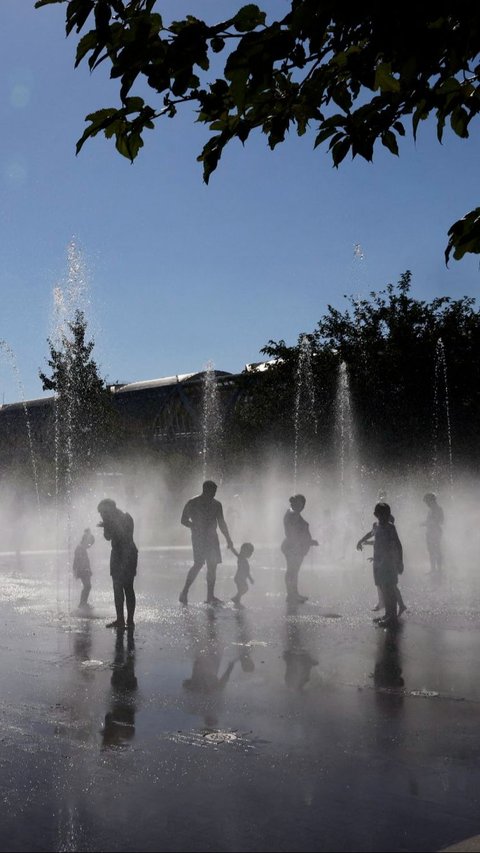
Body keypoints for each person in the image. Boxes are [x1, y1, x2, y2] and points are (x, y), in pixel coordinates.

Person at [179, 480, 234, 605]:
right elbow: (183, 520)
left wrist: (228, 539)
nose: (214, 494)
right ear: (205, 490)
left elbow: (221, 523)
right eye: (213, 491)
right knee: (198, 564)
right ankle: (184, 592)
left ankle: (210, 596)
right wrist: (194, 526)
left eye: (215, 491)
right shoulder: (193, 502)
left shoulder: (217, 504)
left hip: (212, 538)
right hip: (198, 538)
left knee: (212, 566)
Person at [357, 502, 404, 628]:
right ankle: (388, 614)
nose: (383, 517)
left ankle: (392, 616)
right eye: (381, 515)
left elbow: (398, 545)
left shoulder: (390, 528)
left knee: (389, 589)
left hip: (389, 563)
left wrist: (400, 561)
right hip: (378, 562)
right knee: (383, 588)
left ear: (389, 515)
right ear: (375, 515)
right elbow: (370, 533)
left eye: (386, 515)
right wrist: (361, 540)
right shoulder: (376, 526)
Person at [97, 498, 138, 630]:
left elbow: (118, 536)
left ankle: (124, 619)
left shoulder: (124, 518)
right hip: (125, 553)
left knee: (122, 587)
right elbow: (109, 537)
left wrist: (108, 524)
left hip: (123, 553)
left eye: (103, 512)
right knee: (124, 587)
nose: (102, 515)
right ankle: (127, 620)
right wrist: (107, 524)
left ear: (110, 509)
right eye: (101, 513)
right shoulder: (126, 516)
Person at [281, 494, 318, 604]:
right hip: (293, 547)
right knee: (292, 571)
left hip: (295, 547)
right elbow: (293, 534)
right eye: (299, 503)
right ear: (294, 503)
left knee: (294, 571)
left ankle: (294, 594)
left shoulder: (293, 513)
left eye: (302, 504)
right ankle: (291, 595)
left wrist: (308, 541)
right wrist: (308, 541)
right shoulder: (293, 514)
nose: (301, 506)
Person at [73, 528, 95, 610]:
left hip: (84, 570)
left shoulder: (82, 548)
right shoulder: (80, 548)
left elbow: (83, 561)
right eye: (90, 544)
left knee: (87, 586)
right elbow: (77, 561)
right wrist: (77, 570)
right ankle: (82, 603)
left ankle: (83, 603)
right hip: (82, 570)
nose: (90, 546)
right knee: (87, 586)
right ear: (86, 541)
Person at [422, 492, 444, 576]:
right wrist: (424, 523)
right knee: (431, 551)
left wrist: (429, 523)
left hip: (436, 532)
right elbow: (429, 521)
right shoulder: (430, 510)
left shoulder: (438, 509)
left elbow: (441, 521)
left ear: (431, 500)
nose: (426, 504)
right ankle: (433, 569)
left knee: (437, 550)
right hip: (430, 532)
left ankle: (439, 569)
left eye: (427, 502)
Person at [230, 542, 255, 608]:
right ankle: (236, 599)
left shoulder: (243, 559)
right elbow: (236, 553)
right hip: (239, 578)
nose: (251, 554)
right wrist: (231, 548)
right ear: (243, 551)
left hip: (241, 578)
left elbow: (247, 571)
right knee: (244, 589)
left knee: (243, 589)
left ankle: (237, 599)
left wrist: (250, 579)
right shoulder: (241, 557)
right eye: (249, 552)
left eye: (251, 553)